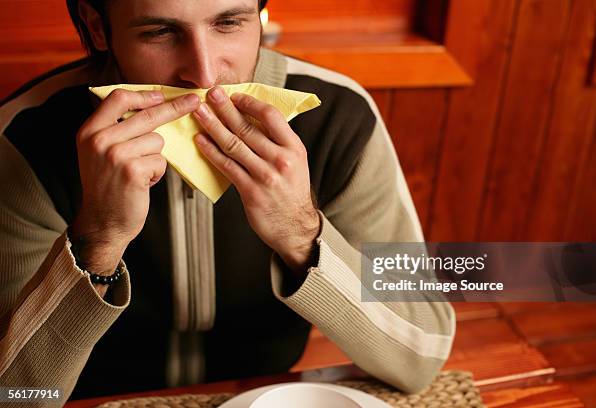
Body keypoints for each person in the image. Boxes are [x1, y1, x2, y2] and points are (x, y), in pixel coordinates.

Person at [0, 0, 455, 403]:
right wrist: (98, 237)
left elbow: (422, 357)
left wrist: (301, 234)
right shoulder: (25, 135)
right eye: (159, 32)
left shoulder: (339, 117)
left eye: (230, 22)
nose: (203, 72)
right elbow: (14, 396)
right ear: (97, 28)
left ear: (260, 16)